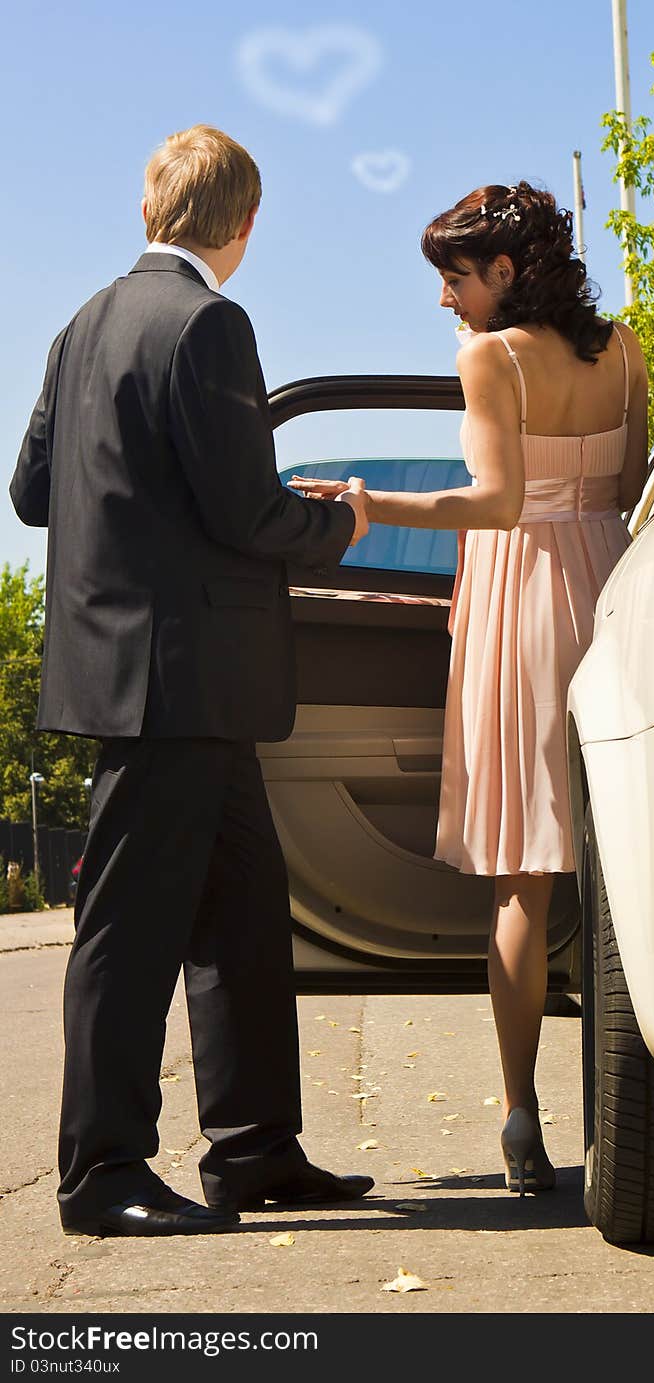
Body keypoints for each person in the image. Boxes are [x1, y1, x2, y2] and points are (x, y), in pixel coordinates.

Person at [10, 124, 373, 1237]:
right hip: (180, 680)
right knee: (127, 934)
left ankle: (254, 1149)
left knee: (244, 923)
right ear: (245, 227)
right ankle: (101, 1173)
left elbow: (31, 494)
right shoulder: (212, 324)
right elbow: (244, 512)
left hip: (155, 680)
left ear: (147, 210)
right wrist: (338, 521)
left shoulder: (82, 325)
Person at [290, 180, 648, 1195]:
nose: (444, 301)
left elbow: (492, 504)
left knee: (523, 877)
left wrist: (366, 507)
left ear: (502, 270)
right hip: (612, 582)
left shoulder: (489, 359)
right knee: (624, 855)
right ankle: (642, 1106)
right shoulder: (623, 350)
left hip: (525, 599)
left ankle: (521, 1114)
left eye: (451, 279)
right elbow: (624, 492)